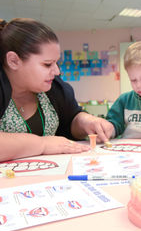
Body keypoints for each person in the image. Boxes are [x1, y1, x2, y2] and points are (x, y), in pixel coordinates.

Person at [0, 18, 113, 162]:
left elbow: (70, 118)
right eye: (47, 64)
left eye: (56, 62)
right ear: (13, 61)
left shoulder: (53, 88)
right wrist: (43, 144)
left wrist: (85, 122)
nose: (57, 71)